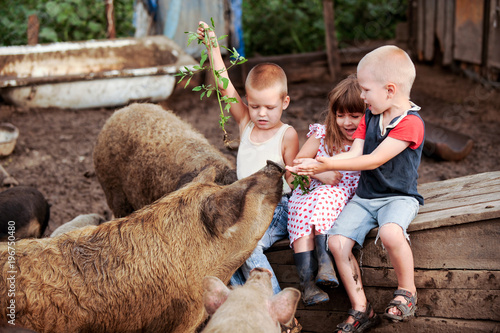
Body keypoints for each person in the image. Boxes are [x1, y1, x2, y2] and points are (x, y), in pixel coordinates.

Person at [288, 45, 424, 332]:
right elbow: (355, 151)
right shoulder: (371, 117)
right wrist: (321, 162)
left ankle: (407, 291)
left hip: (398, 197)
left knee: (390, 232)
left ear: (389, 90)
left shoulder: (411, 124)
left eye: (365, 90)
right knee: (337, 242)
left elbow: (373, 159)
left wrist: (323, 166)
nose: (362, 97)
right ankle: (362, 308)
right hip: (365, 198)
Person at [197, 21, 300, 296]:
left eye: (270, 107)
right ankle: (244, 302)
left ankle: (275, 305)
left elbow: (293, 179)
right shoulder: (246, 123)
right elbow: (224, 86)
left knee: (246, 244)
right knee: (226, 243)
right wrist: (212, 48)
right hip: (244, 203)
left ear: (285, 103)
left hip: (276, 207)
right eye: (254, 106)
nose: (261, 114)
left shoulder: (287, 135)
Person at [287, 74, 365, 306]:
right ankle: (308, 284)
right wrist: (321, 173)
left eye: (354, 115)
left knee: (324, 196)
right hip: (307, 191)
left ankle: (324, 263)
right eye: (340, 115)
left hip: (336, 199)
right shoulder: (321, 134)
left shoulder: (365, 144)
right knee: (300, 216)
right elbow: (295, 168)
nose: (346, 122)